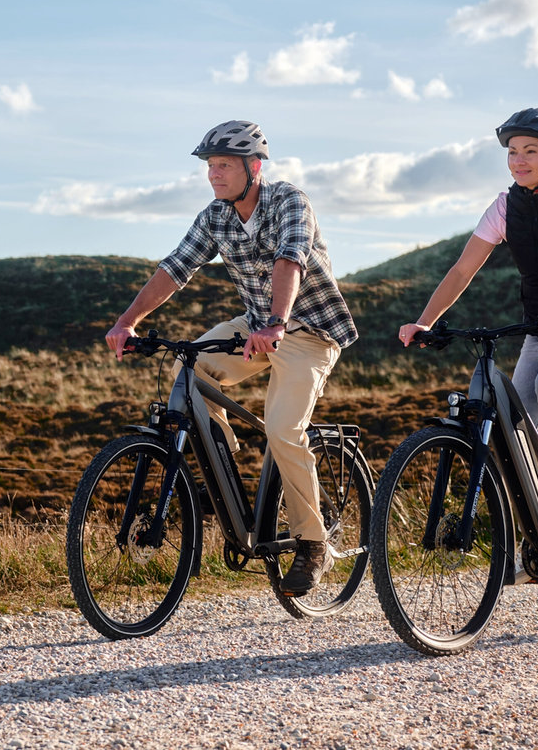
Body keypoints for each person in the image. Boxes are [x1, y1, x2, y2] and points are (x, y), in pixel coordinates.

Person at [105, 120, 358, 594]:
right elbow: (175, 267)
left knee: (284, 428)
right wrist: (127, 322)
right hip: (257, 325)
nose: (214, 174)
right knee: (190, 365)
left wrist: (276, 322)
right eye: (210, 166)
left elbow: (291, 260)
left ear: (254, 167)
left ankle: (312, 542)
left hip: (307, 330)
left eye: (224, 165)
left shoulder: (289, 201)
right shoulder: (215, 216)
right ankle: (223, 470)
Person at [397, 108, 538, 532]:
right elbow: (462, 270)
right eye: (513, 152)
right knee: (511, 425)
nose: (519, 160)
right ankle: (535, 536)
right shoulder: (506, 206)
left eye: (531, 151)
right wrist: (425, 321)